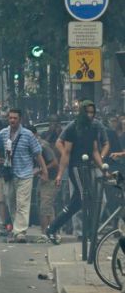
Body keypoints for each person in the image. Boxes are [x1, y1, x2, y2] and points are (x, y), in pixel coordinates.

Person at [46, 101, 105, 244]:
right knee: (86, 197)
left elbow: (95, 151)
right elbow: (66, 152)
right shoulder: (74, 127)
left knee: (76, 203)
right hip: (76, 168)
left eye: (92, 112)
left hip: (87, 168)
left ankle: (52, 228)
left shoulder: (93, 127)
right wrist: (60, 173)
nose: (90, 115)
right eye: (88, 112)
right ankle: (89, 233)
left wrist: (103, 168)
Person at [0, 109, 48, 243]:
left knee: (22, 203)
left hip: (25, 174)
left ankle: (20, 231)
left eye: (15, 118)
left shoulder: (28, 135)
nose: (12, 120)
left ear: (20, 119)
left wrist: (44, 170)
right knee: (11, 202)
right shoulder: (3, 133)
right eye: (10, 118)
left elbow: (37, 153)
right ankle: (16, 228)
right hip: (9, 174)